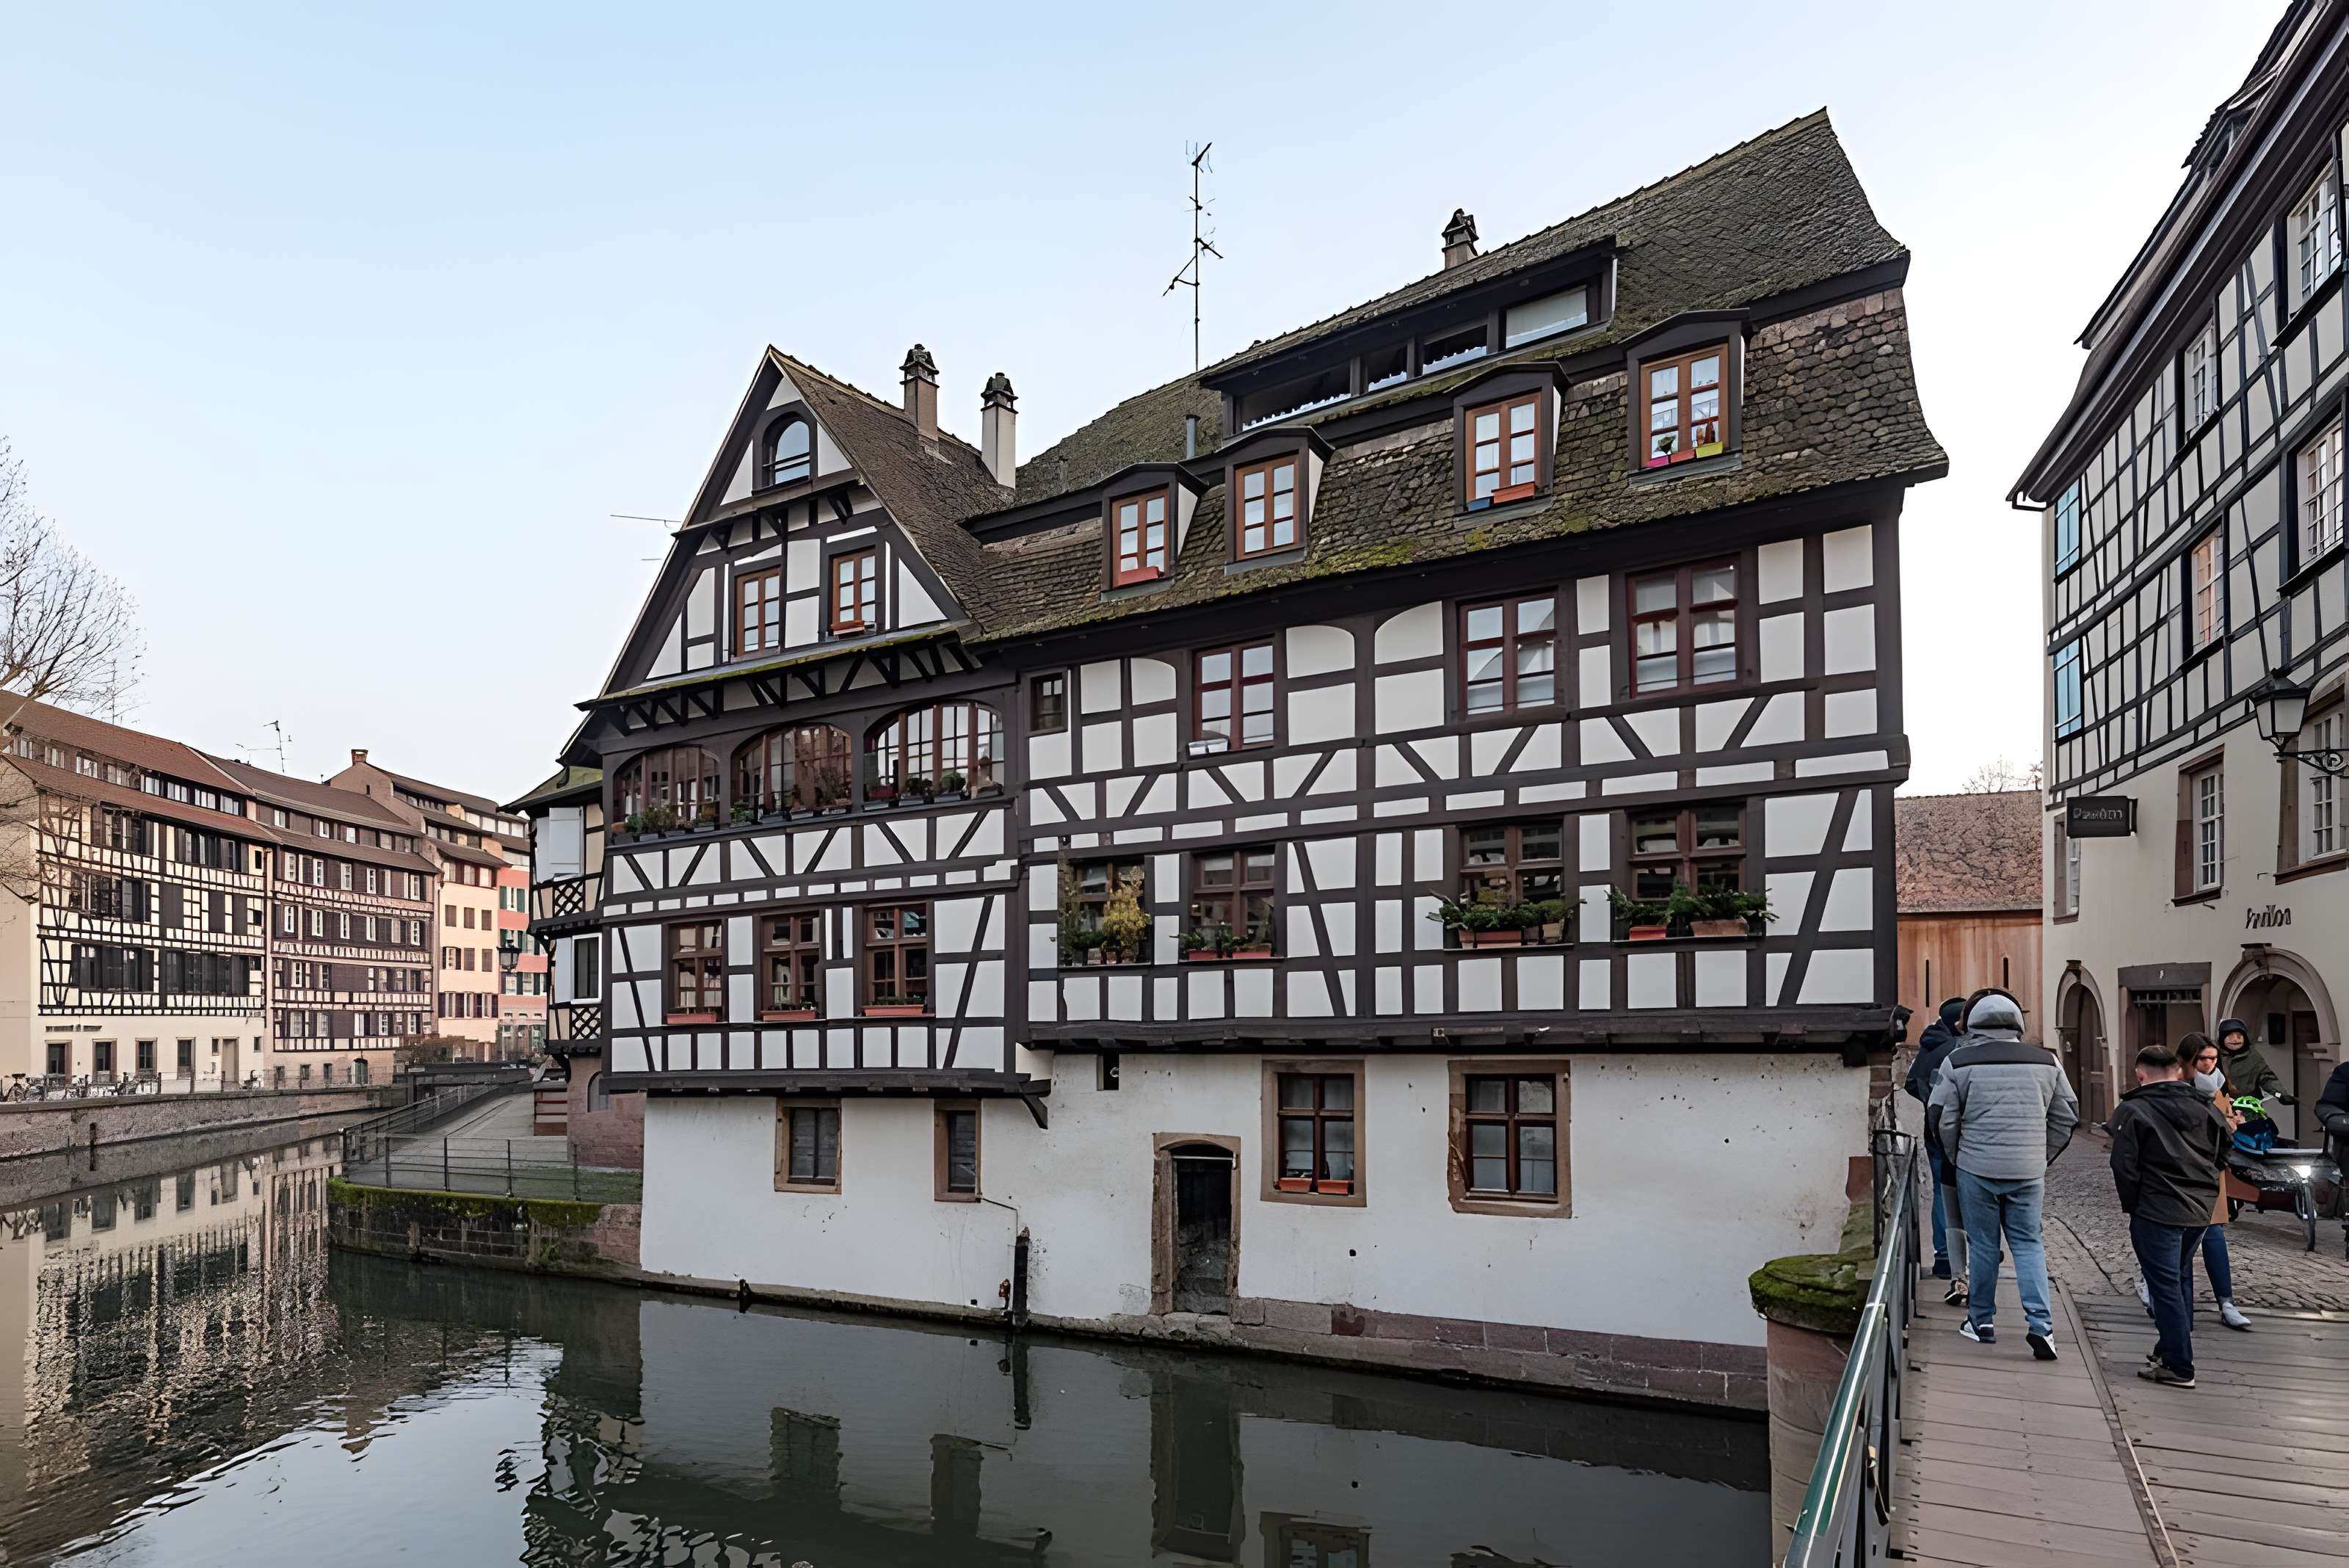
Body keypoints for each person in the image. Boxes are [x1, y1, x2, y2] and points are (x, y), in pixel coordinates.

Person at [1927, 991, 2078, 1360]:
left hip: (1976, 1167)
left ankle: (1981, 1322)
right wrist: (2040, 1155)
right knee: (2029, 1244)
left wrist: (1958, 1155)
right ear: (2018, 1025)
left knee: (1982, 1244)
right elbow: (2067, 1115)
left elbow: (1941, 1116)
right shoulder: (2048, 1061)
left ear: (1973, 1024)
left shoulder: (1957, 1061)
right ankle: (2042, 1326)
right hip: (2028, 1170)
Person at [2109, 1043, 2231, 1388]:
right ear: (2177, 1072)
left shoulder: (2133, 1109)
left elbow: (2123, 1166)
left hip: (2156, 1209)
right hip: (2198, 1209)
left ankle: (2179, 1366)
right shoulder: (2205, 1106)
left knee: (2164, 1286)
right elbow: (2225, 1150)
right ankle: (2167, 1350)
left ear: (2140, 1075)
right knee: (2173, 1279)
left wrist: (2135, 1204)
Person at [2178, 1034, 2254, 1332]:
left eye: (2213, 1058)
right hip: (2183, 1173)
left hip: (2212, 1173)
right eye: (2203, 1058)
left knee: (2213, 1233)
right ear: (2189, 1060)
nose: (2209, 1064)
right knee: (2178, 1241)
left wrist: (2233, 1122)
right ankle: (2169, 1300)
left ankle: (2226, 1302)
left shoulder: (2220, 1085)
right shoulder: (2179, 1088)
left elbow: (2224, 1128)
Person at [1903, 997, 1968, 1291]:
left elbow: (1911, 1083)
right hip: (1956, 1134)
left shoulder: (1931, 1044)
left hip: (1933, 1132)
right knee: (1963, 1194)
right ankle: (1961, 1260)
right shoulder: (1954, 1050)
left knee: (1942, 1193)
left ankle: (1943, 1256)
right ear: (1958, 1023)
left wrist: (1930, 1104)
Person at [2213, 1017, 2295, 1108]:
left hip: (2249, 1106)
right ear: (2222, 1038)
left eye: (2239, 1036)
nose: (2235, 1040)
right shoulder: (2213, 1056)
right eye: (2230, 1036)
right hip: (2220, 1106)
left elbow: (2266, 1078)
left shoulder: (2253, 1056)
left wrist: (2281, 1095)